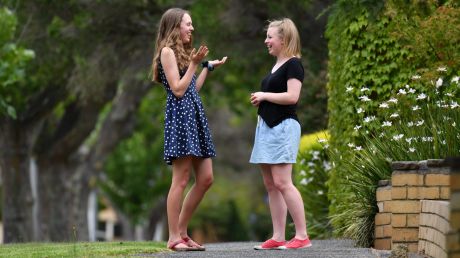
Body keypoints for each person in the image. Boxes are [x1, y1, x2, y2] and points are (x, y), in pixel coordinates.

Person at [151, 8, 227, 251]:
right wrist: (195, 63)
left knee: (205, 179)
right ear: (175, 26)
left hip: (195, 118)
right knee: (181, 179)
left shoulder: (183, 53)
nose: (192, 28)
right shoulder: (166, 52)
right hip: (181, 121)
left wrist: (206, 68)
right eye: (188, 24)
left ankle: (182, 232)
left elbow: (192, 89)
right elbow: (178, 90)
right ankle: (174, 238)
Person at [250, 18, 311, 250]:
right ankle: (278, 236)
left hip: (283, 127)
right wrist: (262, 100)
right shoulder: (276, 65)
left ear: (283, 40)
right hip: (266, 128)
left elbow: (292, 97)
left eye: (270, 37)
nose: (266, 41)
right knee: (270, 184)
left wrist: (264, 96)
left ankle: (302, 236)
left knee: (283, 182)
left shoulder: (294, 64)